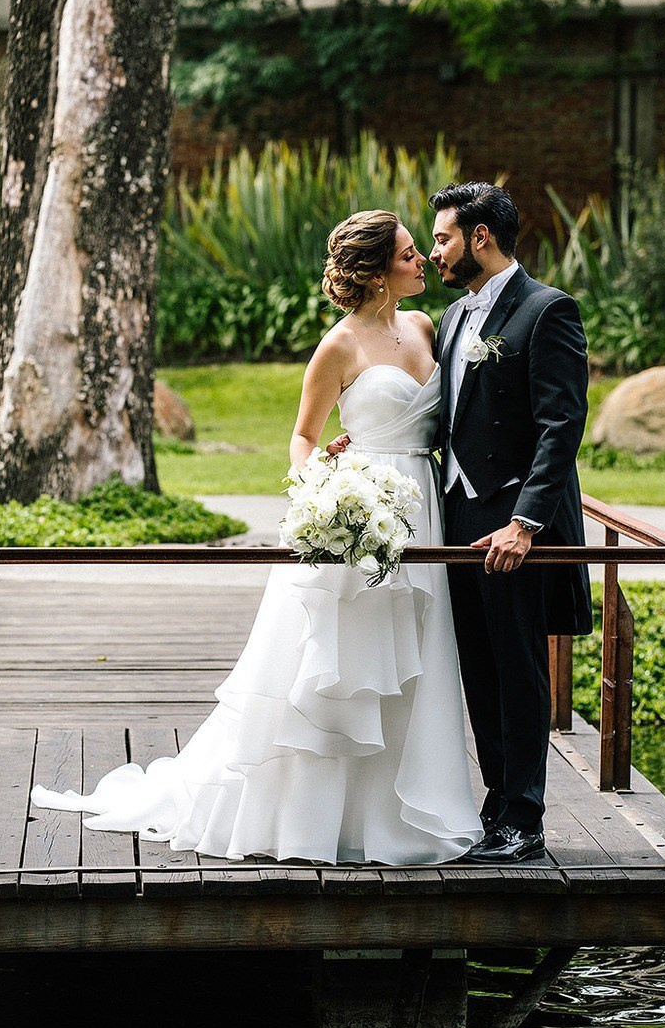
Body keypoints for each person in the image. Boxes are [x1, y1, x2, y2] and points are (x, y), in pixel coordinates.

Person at [30, 209, 484, 865]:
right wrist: (325, 490)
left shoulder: (424, 327)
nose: (423, 262)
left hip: (422, 507)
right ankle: (322, 821)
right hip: (362, 514)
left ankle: (402, 815)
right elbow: (303, 436)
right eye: (410, 254)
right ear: (379, 271)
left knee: (415, 658)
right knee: (346, 666)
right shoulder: (339, 346)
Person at [425, 182, 593, 864]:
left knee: (520, 671)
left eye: (442, 238)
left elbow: (561, 425)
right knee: (479, 667)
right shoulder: (453, 318)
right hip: (459, 517)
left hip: (514, 527)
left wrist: (526, 523)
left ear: (480, 238)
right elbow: (449, 418)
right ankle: (496, 806)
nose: (435, 251)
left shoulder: (546, 311)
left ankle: (524, 819)